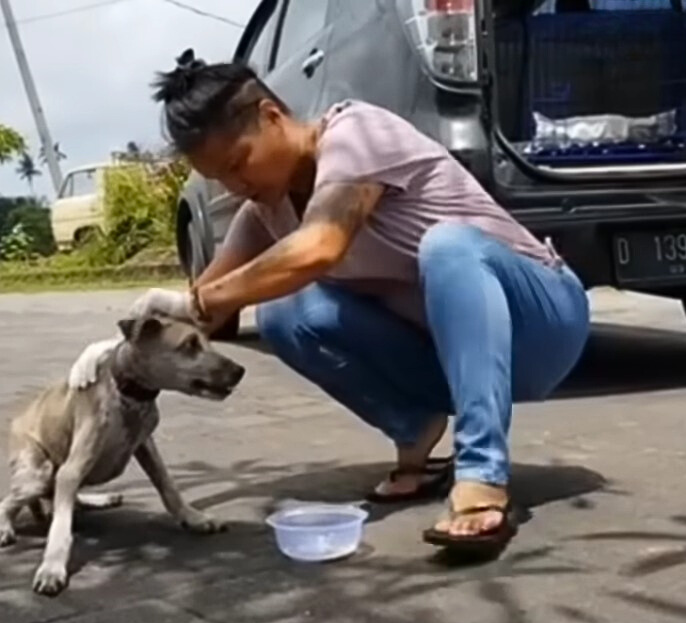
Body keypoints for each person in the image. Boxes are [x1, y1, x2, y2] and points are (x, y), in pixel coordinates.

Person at [108, 50, 590, 552]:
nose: (236, 186)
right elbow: (206, 312)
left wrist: (203, 299)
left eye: (238, 162)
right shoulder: (264, 213)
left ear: (271, 116)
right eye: (221, 179)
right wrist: (117, 358)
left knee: (448, 247)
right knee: (283, 312)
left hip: (544, 325)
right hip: (456, 357)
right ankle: (415, 429)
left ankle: (482, 475)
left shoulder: (355, 133)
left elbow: (319, 246)